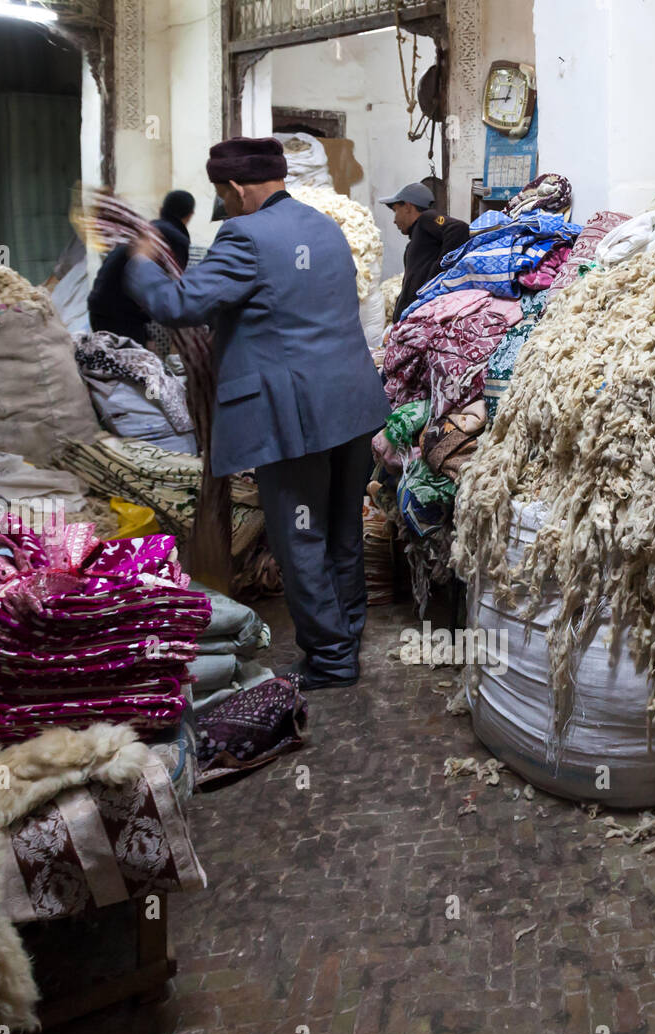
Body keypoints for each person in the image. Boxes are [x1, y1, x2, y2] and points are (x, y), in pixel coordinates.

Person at [124, 137, 391, 691]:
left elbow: (180, 304)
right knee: (342, 531)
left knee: (301, 537)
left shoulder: (243, 235)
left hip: (295, 415)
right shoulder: (325, 227)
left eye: (223, 194)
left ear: (237, 189)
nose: (224, 204)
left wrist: (141, 262)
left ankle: (331, 659)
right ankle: (347, 640)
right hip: (351, 403)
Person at [89, 189, 196, 345]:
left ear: (161, 210)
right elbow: (169, 289)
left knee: (114, 363)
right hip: (121, 315)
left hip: (100, 306)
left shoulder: (145, 230)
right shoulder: (175, 240)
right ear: (190, 215)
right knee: (130, 364)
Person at [383, 182, 469, 322]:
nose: (394, 220)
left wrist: (438, 273)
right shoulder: (418, 237)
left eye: (395, 210)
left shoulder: (427, 218)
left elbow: (458, 229)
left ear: (408, 206)